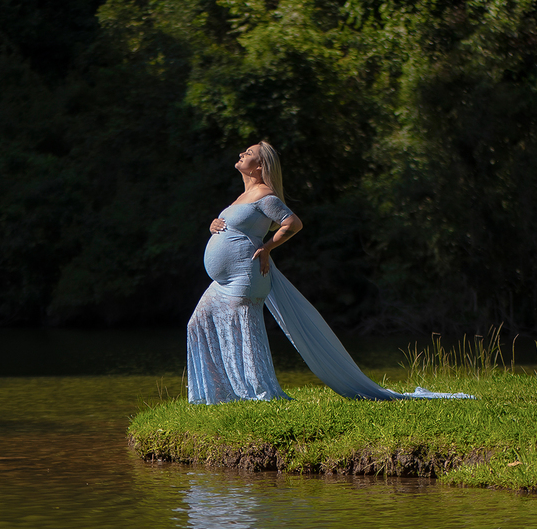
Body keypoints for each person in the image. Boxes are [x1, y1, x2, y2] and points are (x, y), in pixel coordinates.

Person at [186, 141, 471, 404]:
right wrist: (215, 223)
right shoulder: (244, 195)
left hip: (245, 276)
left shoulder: (264, 194)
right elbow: (235, 224)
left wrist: (268, 247)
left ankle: (256, 394)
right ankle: (218, 392)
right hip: (224, 279)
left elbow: (292, 223)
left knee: (243, 333)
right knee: (197, 324)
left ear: (260, 166)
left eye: (248, 154)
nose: (241, 155)